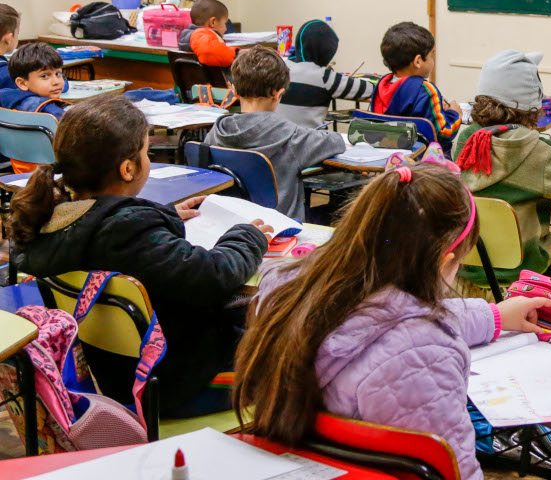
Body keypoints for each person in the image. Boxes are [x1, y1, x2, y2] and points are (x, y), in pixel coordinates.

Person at [234, 163, 551, 480]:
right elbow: (453, 470)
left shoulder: (296, 288)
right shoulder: (424, 353)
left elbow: (387, 319)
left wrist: (494, 315)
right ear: (445, 260)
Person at [10, 94, 271, 417]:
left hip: (115, 376)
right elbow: (213, 275)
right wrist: (247, 236)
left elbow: (109, 232)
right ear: (128, 168)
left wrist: (164, 215)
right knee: (294, 346)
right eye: (147, 152)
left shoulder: (51, 221)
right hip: (177, 384)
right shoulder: (127, 233)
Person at [454, 49, 551, 282]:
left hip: (464, 266)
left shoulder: (465, 140)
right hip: (521, 271)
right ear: (532, 103)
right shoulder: (535, 150)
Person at [204, 47, 345, 220]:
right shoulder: (293, 137)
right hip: (280, 230)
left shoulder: (216, 133)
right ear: (278, 94)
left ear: (234, 90)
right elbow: (336, 142)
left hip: (229, 226)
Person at [370, 21, 461, 153]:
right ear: (418, 61)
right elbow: (443, 134)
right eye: (431, 55)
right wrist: (454, 113)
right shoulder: (426, 90)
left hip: (388, 157)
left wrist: (438, 110)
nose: (433, 60)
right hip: (423, 162)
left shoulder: (382, 85)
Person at [278, 19, 375, 129]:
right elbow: (368, 89)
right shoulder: (324, 77)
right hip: (310, 141)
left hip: (279, 140)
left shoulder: (280, 69)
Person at [0, 42, 66, 118]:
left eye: (58, 74)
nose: (56, 82)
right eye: (44, 76)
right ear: (22, 83)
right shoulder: (53, 113)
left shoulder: (4, 100)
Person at [179, 0, 237, 68]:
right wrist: (238, 54)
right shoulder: (199, 36)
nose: (226, 28)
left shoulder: (189, 36)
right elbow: (208, 51)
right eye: (225, 23)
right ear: (213, 22)